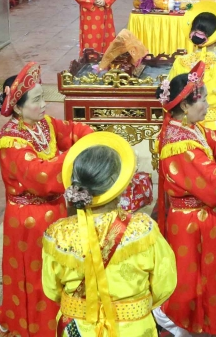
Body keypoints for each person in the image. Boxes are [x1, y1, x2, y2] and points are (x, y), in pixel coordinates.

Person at [0, 62, 95, 337]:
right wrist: (75, 156)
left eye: (42, 97)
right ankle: (33, 327)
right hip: (29, 221)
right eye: (36, 100)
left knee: (57, 272)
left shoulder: (44, 125)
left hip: (54, 212)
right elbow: (41, 177)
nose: (44, 105)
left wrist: (92, 139)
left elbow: (73, 131)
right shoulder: (10, 141)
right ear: (17, 107)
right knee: (36, 277)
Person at [43, 132, 177, 337]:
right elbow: (164, 285)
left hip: (77, 329)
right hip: (132, 329)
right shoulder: (143, 230)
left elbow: (51, 290)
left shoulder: (57, 235)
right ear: (118, 183)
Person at [153, 64, 216, 336]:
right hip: (190, 224)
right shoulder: (180, 145)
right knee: (189, 279)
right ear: (185, 106)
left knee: (200, 275)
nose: (208, 105)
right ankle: (173, 319)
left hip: (198, 219)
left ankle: (193, 320)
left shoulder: (188, 129)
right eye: (204, 99)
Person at [168, 1, 216, 240]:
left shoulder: (179, 64)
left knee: (191, 177)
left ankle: (190, 230)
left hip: (187, 129)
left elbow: (172, 97)